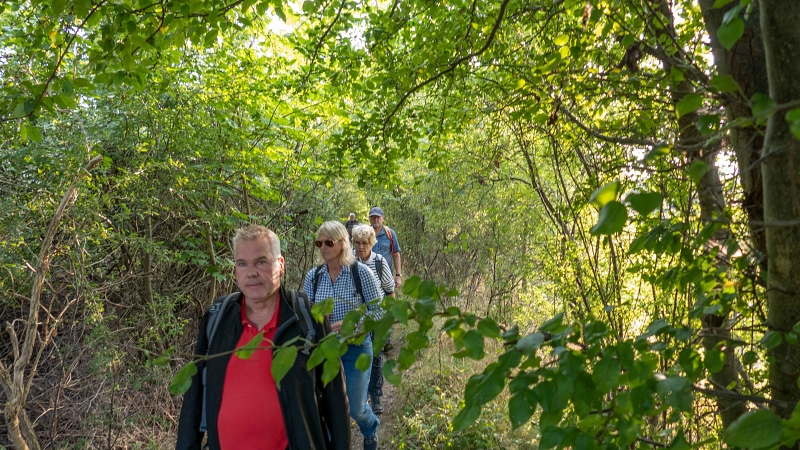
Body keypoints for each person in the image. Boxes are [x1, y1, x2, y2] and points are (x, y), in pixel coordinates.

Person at [176, 225, 350, 450]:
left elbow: (335, 399)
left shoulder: (307, 319)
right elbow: (194, 400)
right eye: (242, 264)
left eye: (261, 262)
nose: (251, 273)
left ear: (281, 265)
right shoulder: (216, 319)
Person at [303, 221, 383, 450]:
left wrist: (352, 324)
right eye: (319, 243)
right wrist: (318, 322)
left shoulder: (361, 273)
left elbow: (380, 310)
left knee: (356, 407)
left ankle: (370, 429)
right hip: (327, 351)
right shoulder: (314, 277)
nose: (323, 247)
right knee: (330, 406)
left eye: (329, 242)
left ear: (342, 243)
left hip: (356, 348)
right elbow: (307, 313)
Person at [352, 224, 395, 415]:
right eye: (357, 242)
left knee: (376, 356)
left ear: (371, 244)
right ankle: (359, 396)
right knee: (357, 355)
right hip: (354, 318)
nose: (360, 247)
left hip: (376, 316)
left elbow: (390, 290)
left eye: (364, 243)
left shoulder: (379, 262)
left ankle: (376, 394)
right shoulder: (348, 262)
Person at [368, 206, 402, 352]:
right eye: (372, 217)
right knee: (371, 308)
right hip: (368, 279)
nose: (375, 220)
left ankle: (386, 341)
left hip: (386, 279)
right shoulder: (366, 233)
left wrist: (398, 275)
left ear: (383, 218)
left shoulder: (389, 234)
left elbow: (396, 254)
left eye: (377, 217)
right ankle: (372, 339)